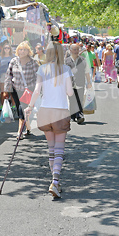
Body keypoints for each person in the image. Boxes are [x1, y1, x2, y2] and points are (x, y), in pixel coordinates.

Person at [24, 41, 74, 198]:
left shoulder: (42, 68)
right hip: (60, 111)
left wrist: (30, 107)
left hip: (45, 111)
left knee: (51, 149)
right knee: (59, 149)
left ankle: (55, 183)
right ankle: (55, 181)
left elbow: (37, 90)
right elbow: (70, 93)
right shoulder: (65, 69)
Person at [4, 41, 39, 140]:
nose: (22, 51)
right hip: (15, 88)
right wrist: (6, 89)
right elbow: (8, 75)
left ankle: (19, 130)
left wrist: (35, 88)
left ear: (28, 51)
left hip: (27, 90)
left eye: (24, 50)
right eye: (20, 49)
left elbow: (38, 77)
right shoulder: (14, 61)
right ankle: (27, 127)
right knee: (21, 107)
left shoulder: (33, 62)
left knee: (22, 108)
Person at [65, 43, 92, 124]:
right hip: (70, 83)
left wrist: (89, 82)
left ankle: (80, 115)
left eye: (78, 49)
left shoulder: (83, 60)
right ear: (70, 50)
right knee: (72, 99)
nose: (76, 51)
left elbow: (87, 71)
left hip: (80, 82)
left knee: (79, 99)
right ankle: (73, 115)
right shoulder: (67, 61)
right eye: (75, 49)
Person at [0, 42, 15, 109]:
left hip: (11, 75)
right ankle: (3, 106)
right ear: (3, 49)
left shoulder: (13, 56)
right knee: (3, 91)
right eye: (5, 48)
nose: (6, 49)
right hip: (3, 75)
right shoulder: (1, 57)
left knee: (11, 91)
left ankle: (13, 105)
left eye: (8, 48)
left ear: (10, 49)